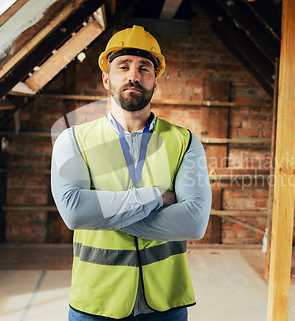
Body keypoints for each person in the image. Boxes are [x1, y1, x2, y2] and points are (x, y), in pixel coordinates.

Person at [51, 25, 212, 321]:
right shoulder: (73, 140)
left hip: (165, 303)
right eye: (123, 66)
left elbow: (195, 222)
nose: (133, 76)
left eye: (144, 68)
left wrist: (103, 214)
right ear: (106, 78)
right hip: (96, 303)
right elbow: (74, 212)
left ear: (155, 80)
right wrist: (157, 197)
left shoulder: (185, 142)